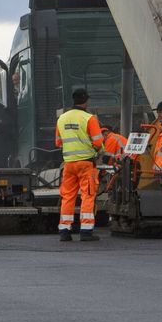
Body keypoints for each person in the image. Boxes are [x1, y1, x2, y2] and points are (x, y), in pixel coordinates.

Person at [54, 88, 104, 242]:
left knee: (67, 197)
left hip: (68, 164)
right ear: (86, 101)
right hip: (86, 164)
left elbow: (58, 143)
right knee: (88, 195)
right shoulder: (89, 118)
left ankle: (64, 231)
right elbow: (98, 142)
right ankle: (86, 231)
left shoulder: (61, 118)